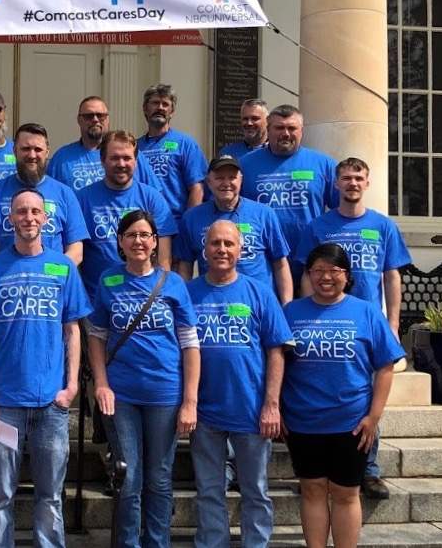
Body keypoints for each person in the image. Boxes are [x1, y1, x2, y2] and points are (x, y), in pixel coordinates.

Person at [0, 188, 91, 548]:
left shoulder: (63, 267)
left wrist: (70, 388)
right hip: (3, 404)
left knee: (51, 496)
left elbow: (73, 330)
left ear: (46, 219)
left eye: (36, 211)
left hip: (51, 404)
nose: (29, 218)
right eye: (22, 212)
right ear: (10, 220)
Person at [294, 157, 412, 500]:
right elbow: (306, 273)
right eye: (346, 178)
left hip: (367, 322)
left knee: (369, 396)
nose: (352, 183)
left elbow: (391, 275)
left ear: (367, 182)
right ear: (336, 184)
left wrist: (392, 323)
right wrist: (304, 315)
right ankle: (313, 469)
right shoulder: (318, 225)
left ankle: (369, 470)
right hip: (323, 317)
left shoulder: (383, 226)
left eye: (358, 177)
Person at [87, 210, 200, 548]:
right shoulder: (108, 280)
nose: (138, 241)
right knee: (128, 476)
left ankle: (157, 542)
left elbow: (190, 344)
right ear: (120, 242)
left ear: (155, 242)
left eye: (145, 235)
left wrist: (190, 401)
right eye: (130, 235)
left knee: (160, 477)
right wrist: (101, 384)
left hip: (165, 394)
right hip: (121, 394)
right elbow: (96, 337)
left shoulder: (173, 283)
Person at [282, 243, 405, 548]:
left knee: (346, 493)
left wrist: (373, 417)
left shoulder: (366, 312)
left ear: (347, 275)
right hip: (302, 421)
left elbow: (385, 367)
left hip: (351, 423)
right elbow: (276, 363)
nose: (326, 277)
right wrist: (277, 408)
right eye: (318, 270)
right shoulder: (291, 312)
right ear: (308, 274)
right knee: (311, 490)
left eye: (334, 270)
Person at [186, 221, 293, 548]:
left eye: (228, 244)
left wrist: (272, 405)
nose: (221, 249)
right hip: (204, 412)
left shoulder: (259, 292)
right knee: (208, 490)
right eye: (215, 243)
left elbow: (277, 350)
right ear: (204, 249)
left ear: (240, 250)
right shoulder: (187, 293)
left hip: (250, 411)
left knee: (256, 491)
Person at [175, 155, 293, 305]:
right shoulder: (191, 218)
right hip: (213, 304)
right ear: (208, 181)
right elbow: (185, 266)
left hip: (258, 304)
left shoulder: (264, 214)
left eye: (232, 177)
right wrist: (183, 305)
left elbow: (280, 264)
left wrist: (286, 306)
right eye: (219, 178)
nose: (226, 183)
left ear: (241, 180)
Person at [76, 130, 176, 297]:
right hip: (96, 300)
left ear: (136, 161)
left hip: (143, 299)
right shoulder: (82, 199)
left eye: (127, 158)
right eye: (114, 158)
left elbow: (163, 259)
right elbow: (76, 254)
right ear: (102, 160)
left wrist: (159, 298)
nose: (121, 164)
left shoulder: (152, 198)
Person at [0, 123, 89, 265]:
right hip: (7, 282)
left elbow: (76, 252)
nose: (32, 155)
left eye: (38, 149)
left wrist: (52, 275)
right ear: (14, 151)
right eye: (25, 149)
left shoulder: (65, 194)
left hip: (52, 282)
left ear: (47, 152)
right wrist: (8, 274)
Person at [239, 104, 339, 268]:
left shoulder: (323, 165)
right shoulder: (245, 165)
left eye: (292, 128)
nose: (286, 133)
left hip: (311, 264)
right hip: (262, 266)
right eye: (279, 128)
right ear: (268, 129)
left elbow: (341, 212)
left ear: (302, 130)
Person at [47, 96, 159, 191]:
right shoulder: (62, 158)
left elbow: (155, 196)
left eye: (100, 115)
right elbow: (49, 197)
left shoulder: (130, 154)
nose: (95, 120)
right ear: (78, 120)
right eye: (88, 116)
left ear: (108, 119)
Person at [137, 84, 208, 224]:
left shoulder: (186, 144)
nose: (160, 108)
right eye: (155, 103)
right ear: (145, 108)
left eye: (166, 104)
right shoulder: (134, 147)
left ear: (172, 112)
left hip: (176, 224)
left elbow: (197, 189)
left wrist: (187, 224)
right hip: (141, 225)